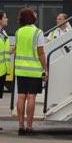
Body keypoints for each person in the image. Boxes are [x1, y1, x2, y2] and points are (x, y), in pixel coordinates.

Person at [14, 8, 47, 136]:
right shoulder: (38, 32)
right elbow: (41, 53)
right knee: (31, 97)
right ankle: (29, 126)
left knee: (21, 96)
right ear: (32, 18)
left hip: (21, 69)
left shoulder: (18, 32)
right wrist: (45, 68)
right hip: (34, 70)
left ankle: (20, 126)